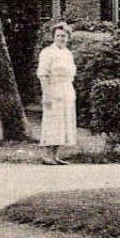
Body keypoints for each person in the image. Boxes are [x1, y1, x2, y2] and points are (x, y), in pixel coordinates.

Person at [36, 22, 77, 164]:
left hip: (66, 90)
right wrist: (46, 94)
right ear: (53, 37)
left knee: (63, 123)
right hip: (53, 90)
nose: (61, 39)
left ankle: (55, 155)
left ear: (68, 37)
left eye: (64, 36)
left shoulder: (68, 54)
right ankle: (47, 156)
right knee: (52, 122)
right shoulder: (47, 53)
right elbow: (43, 75)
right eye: (58, 36)